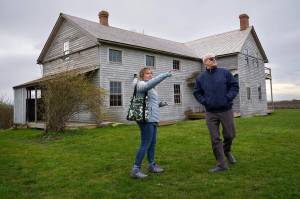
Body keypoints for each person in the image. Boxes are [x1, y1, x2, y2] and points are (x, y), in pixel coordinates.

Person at [193, 53, 239, 173]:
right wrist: (205, 102)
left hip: (226, 110)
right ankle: (221, 164)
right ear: (205, 63)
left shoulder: (225, 73)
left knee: (230, 135)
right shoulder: (201, 78)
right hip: (211, 112)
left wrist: (228, 98)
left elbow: (234, 86)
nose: (213, 59)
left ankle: (227, 151)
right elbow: (197, 92)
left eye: (214, 58)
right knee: (215, 138)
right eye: (210, 58)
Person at [130, 67, 172, 179]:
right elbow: (150, 84)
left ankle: (151, 165)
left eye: (151, 73)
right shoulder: (141, 84)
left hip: (152, 118)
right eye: (147, 73)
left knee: (152, 143)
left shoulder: (150, 87)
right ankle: (136, 169)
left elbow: (148, 103)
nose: (150, 75)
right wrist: (163, 75)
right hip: (146, 119)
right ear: (142, 75)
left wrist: (160, 104)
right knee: (145, 143)